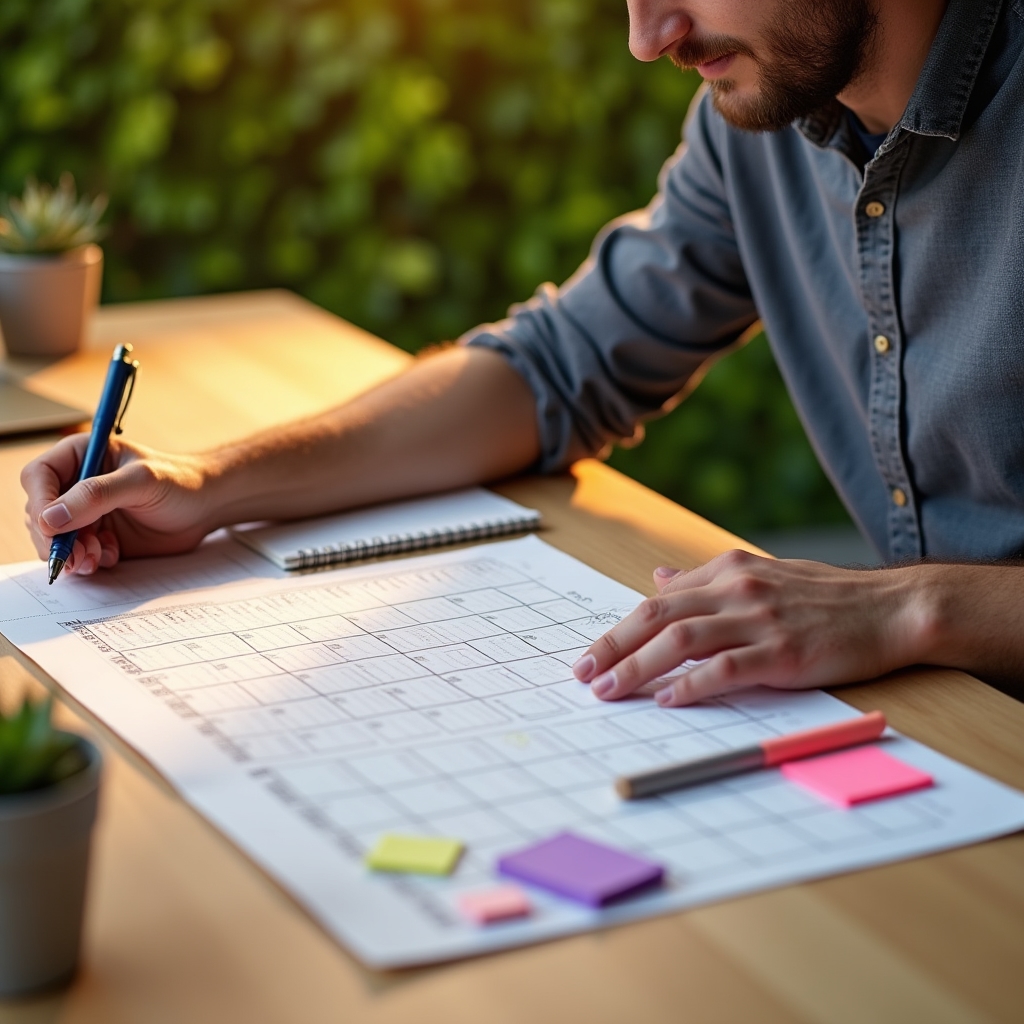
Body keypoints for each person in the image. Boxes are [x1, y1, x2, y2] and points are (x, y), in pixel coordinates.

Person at [21, 0, 1024, 703]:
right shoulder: (759, 121)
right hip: (958, 731)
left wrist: (913, 606)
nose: (648, 37)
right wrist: (209, 484)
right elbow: (553, 367)